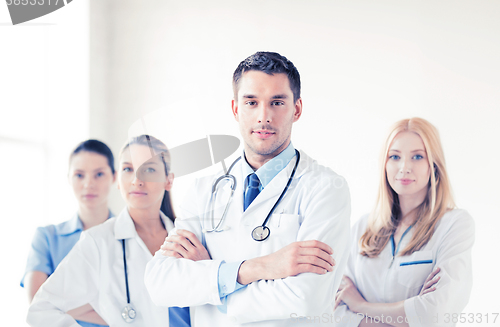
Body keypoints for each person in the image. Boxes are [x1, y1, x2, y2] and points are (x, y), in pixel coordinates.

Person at [145, 51, 351, 326]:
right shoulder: (204, 190)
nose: (263, 116)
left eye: (277, 102)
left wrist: (214, 287)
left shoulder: (325, 189)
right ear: (236, 109)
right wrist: (260, 267)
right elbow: (161, 283)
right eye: (251, 102)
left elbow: (306, 298)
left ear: (297, 109)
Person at [27, 135, 191, 327]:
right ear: (119, 180)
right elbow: (41, 308)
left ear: (169, 180)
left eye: (149, 169)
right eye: (128, 169)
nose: (137, 180)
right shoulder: (97, 241)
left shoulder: (189, 237)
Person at [333, 118, 474, 327]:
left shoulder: (454, 225)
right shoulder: (363, 228)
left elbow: (435, 314)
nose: (405, 167)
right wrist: (409, 314)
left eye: (417, 156)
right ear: (385, 164)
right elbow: (335, 311)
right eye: (395, 156)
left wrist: (361, 305)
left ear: (433, 165)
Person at [21, 139, 115, 327]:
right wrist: (116, 312)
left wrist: (59, 305)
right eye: (79, 175)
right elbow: (37, 302)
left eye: (99, 174)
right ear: (68, 178)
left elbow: (143, 306)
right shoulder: (47, 237)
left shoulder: (130, 236)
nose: (89, 183)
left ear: (114, 177)